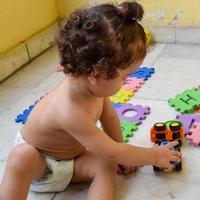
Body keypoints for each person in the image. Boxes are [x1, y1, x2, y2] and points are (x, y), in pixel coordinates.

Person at [0, 1, 181, 200]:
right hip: (42, 166)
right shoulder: (69, 110)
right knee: (21, 157)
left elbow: (110, 118)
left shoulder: (95, 89)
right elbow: (113, 150)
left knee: (107, 164)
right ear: (95, 73)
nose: (126, 82)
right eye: (124, 77)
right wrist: (154, 156)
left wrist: (123, 156)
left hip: (73, 161)